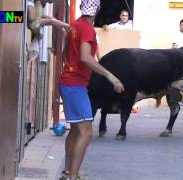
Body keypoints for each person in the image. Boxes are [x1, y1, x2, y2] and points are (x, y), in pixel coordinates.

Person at [59, 0, 125, 179]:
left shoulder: (75, 25)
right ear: (97, 10)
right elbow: (86, 57)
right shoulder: (87, 29)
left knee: (75, 130)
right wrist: (110, 76)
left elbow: (66, 54)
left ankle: (67, 172)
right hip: (75, 86)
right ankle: (73, 176)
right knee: (86, 132)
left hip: (69, 82)